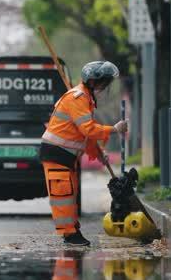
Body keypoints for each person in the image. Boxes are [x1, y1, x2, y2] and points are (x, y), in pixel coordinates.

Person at [39, 60, 129, 246]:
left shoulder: (86, 99)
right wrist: (114, 128)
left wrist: (98, 153)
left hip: (64, 155)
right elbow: (88, 129)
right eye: (104, 82)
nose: (105, 87)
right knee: (63, 195)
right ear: (93, 82)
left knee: (69, 194)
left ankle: (72, 230)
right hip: (56, 154)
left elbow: (84, 135)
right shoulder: (78, 98)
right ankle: (70, 234)